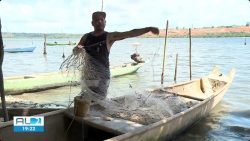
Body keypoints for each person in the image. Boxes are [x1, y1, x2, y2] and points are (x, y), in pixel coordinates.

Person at [73, 11, 159, 101]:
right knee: (86, 99)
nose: (100, 22)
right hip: (88, 75)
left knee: (100, 101)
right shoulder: (86, 37)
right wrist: (77, 49)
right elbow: (75, 51)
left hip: (102, 76)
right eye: (97, 20)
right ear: (92, 23)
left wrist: (148, 29)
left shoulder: (109, 36)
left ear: (105, 22)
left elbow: (130, 33)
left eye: (102, 20)